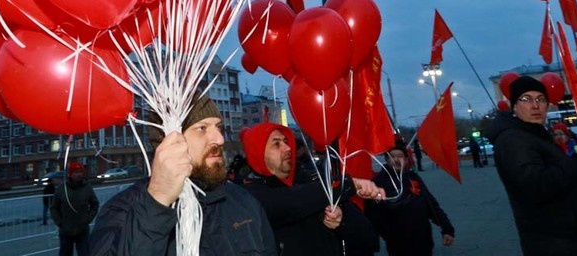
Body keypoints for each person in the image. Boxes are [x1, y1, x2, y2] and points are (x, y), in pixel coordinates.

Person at [91, 95, 277, 255]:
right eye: (202, 128)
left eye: (218, 127)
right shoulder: (124, 209)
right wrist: (158, 200)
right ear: (169, 142)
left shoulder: (242, 200)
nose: (219, 139)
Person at [486, 76, 577, 256]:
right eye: (526, 99)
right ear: (514, 106)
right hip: (555, 243)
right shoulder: (513, 140)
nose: (535, 106)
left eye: (541, 99)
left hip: (572, 238)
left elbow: (558, 182)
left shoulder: (534, 134)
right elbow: (537, 186)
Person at [240, 121, 383, 255]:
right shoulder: (248, 194)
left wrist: (341, 222)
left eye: (286, 141)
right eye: (277, 144)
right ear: (257, 153)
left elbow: (368, 238)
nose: (288, 148)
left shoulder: (315, 181)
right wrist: (347, 184)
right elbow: (289, 201)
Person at [365, 140, 454, 256]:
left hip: (423, 240)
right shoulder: (378, 182)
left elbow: (431, 204)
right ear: (386, 160)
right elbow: (372, 215)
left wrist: (447, 229)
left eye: (400, 156)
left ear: (406, 160)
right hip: (398, 243)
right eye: (392, 157)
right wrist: (385, 235)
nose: (396, 160)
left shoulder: (413, 177)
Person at [51, 161, 98, 256]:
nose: (79, 174)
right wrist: (60, 222)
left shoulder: (87, 187)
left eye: (80, 172)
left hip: (82, 230)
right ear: (70, 174)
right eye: (76, 172)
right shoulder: (62, 188)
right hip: (66, 230)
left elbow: (94, 204)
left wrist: (88, 219)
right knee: (65, 253)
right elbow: (54, 207)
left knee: (84, 253)